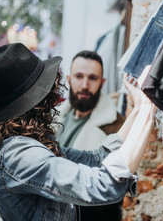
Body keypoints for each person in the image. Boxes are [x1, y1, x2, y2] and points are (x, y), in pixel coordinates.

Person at [0, 42, 154, 221]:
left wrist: (138, 108)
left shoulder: (27, 141)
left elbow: (96, 159)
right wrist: (148, 107)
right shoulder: (20, 154)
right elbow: (104, 184)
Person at [56, 50, 126, 220]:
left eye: (92, 78)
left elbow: (113, 188)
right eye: (79, 76)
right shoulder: (55, 118)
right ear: (68, 79)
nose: (85, 85)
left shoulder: (116, 126)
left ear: (102, 82)